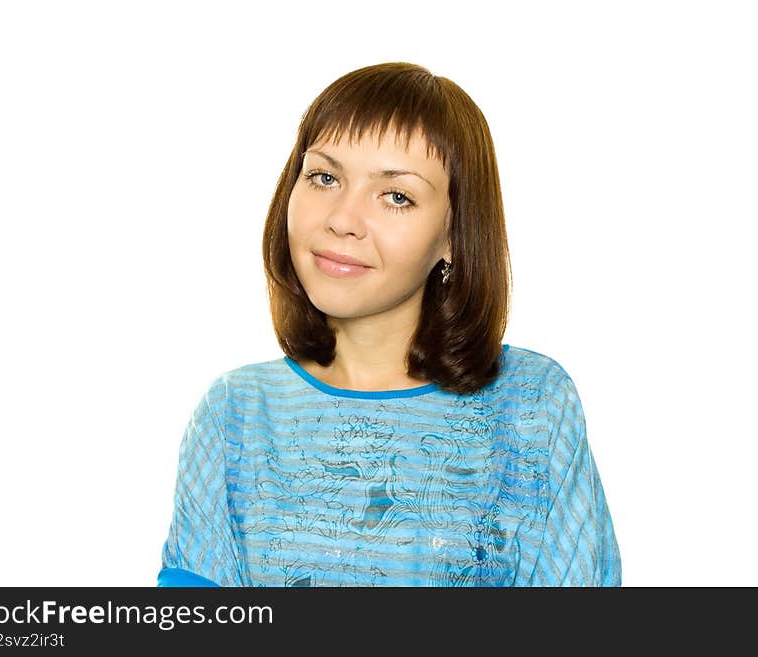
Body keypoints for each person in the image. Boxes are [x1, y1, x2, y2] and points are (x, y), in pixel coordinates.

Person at [157, 62, 621, 587]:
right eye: (324, 177)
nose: (343, 219)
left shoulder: (531, 405)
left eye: (396, 196)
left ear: (454, 236)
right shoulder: (235, 414)